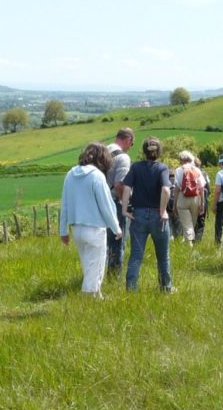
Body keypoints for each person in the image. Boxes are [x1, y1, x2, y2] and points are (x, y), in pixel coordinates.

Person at [59, 142, 122, 298]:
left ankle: (97, 297)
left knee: (88, 266)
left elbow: (65, 204)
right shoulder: (97, 176)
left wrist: (63, 231)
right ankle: (88, 300)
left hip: (77, 229)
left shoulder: (70, 175)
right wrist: (116, 228)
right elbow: (106, 205)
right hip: (95, 229)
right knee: (97, 266)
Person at [119, 136, 174, 292]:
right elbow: (165, 189)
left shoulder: (135, 167)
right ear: (158, 152)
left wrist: (124, 209)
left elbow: (127, 188)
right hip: (158, 216)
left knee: (136, 256)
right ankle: (166, 288)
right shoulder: (162, 168)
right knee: (163, 256)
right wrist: (163, 210)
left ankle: (131, 289)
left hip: (138, 215)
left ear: (144, 151)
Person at [105, 127, 134, 275]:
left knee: (103, 241)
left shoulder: (104, 151)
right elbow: (119, 184)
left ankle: (100, 274)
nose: (130, 147)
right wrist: (125, 203)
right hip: (114, 202)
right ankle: (114, 275)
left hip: (99, 202)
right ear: (128, 140)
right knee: (117, 239)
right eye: (131, 144)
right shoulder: (123, 157)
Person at [172, 150, 206, 244]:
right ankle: (189, 242)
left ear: (182, 160)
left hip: (183, 198)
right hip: (196, 198)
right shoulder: (197, 170)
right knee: (192, 223)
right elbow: (202, 187)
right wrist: (202, 203)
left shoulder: (179, 170)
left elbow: (177, 188)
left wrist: (175, 204)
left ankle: (189, 244)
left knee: (187, 225)